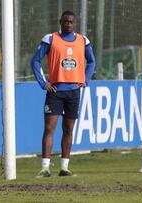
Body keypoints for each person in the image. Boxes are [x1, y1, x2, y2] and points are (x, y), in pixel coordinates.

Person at [31, 10, 95, 177]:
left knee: (68, 130)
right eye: (65, 21)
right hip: (56, 91)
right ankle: (45, 168)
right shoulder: (50, 39)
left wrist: (85, 79)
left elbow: (92, 61)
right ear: (60, 22)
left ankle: (64, 167)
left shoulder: (83, 40)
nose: (68, 24)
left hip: (74, 92)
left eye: (71, 22)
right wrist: (43, 83)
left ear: (75, 23)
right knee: (49, 128)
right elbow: (35, 60)